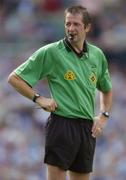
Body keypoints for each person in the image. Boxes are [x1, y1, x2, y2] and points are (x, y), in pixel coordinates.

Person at [8, 5, 112, 180]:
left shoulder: (97, 55)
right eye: (68, 24)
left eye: (76, 24)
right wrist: (38, 98)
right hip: (62, 124)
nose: (71, 29)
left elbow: (106, 90)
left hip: (87, 129)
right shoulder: (52, 52)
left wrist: (103, 116)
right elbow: (14, 78)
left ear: (87, 27)